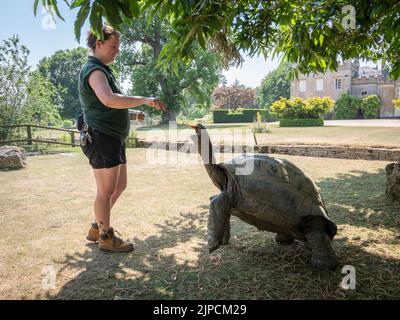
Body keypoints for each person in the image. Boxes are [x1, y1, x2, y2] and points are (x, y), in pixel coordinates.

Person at [78, 26, 166, 253]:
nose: (117, 51)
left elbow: (104, 105)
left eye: (118, 47)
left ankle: (97, 227)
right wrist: (144, 100)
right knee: (105, 191)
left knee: (119, 185)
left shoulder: (103, 70)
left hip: (113, 137)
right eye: (113, 46)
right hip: (102, 137)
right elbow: (108, 100)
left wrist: (130, 113)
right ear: (98, 44)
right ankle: (106, 237)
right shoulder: (94, 70)